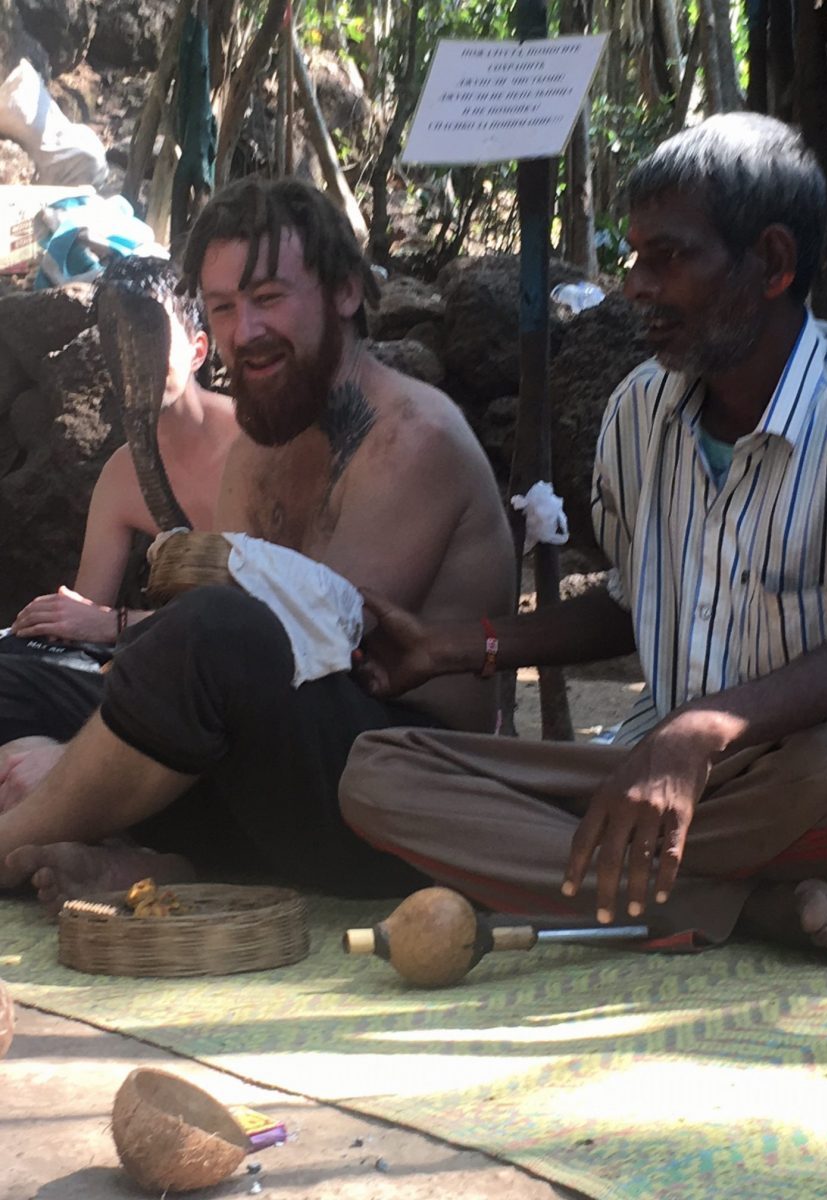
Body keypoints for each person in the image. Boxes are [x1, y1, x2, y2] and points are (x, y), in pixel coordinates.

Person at [338, 112, 827, 967]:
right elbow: (637, 601)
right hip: (659, 771)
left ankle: (682, 884)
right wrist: (455, 648)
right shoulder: (641, 410)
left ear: (774, 263)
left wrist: (703, 732)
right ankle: (744, 903)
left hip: (807, 783)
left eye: (667, 257)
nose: (635, 284)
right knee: (376, 774)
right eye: (633, 256)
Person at [0, 176, 515, 908]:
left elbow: (311, 654)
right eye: (224, 307)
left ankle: (27, 837)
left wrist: (72, 766)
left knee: (216, 635)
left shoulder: (412, 440)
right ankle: (161, 855)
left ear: (343, 292)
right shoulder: (255, 451)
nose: (246, 332)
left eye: (269, 298)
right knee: (16, 677)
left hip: (405, 797)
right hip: (264, 764)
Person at [0, 255, 237, 808]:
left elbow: (278, 617)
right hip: (139, 672)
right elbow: (85, 624)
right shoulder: (123, 474)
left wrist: (115, 623)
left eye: (148, 331)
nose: (131, 356)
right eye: (114, 336)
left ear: (199, 350)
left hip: (226, 691)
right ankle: (37, 789)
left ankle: (49, 798)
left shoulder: (255, 451)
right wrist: (52, 622)